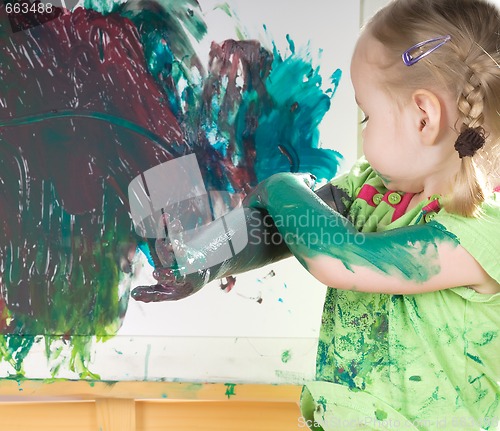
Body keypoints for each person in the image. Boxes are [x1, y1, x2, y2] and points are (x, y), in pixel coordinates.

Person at [137, 0, 499, 428]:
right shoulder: (371, 191)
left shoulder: (475, 237)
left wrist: (279, 186)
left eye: (368, 115)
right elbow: (284, 227)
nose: (363, 128)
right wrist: (202, 257)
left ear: (424, 118)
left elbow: (340, 256)